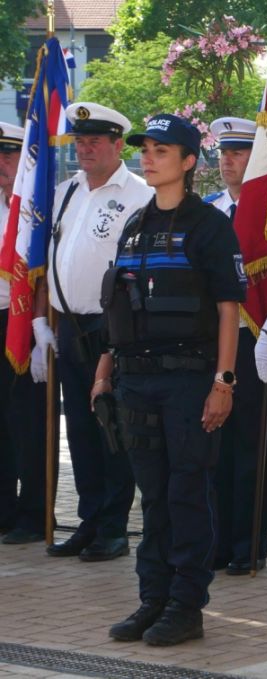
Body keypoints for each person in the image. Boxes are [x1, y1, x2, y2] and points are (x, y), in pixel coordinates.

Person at [94, 113, 246, 646]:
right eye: (146, 149)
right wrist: (105, 369)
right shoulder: (135, 224)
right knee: (153, 496)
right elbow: (122, 307)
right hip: (136, 380)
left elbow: (229, 308)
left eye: (161, 150)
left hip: (189, 381)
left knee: (186, 492)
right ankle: (152, 600)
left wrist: (223, 381)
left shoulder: (209, 225)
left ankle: (186, 606)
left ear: (188, 162)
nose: (148, 157)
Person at [35, 102, 152, 561]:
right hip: (70, 326)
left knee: (111, 425)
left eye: (95, 142)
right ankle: (88, 520)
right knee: (80, 430)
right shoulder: (67, 192)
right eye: (80, 142)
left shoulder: (139, 195)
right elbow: (52, 259)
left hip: (113, 327)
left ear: (117, 145)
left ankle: (114, 527)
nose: (85, 149)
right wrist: (44, 319)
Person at [205, 116, 267, 575]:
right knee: (215, 444)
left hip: (257, 340)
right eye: (223, 154)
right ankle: (217, 542)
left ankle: (248, 546)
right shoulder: (210, 211)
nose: (228, 162)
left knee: (252, 447)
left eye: (238, 153)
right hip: (215, 342)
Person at [0, 122, 47, 545]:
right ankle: (3, 511)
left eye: (9, 155)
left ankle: (33, 515)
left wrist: (40, 326)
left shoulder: (35, 206)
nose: (1, 164)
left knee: (27, 422)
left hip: (23, 321)